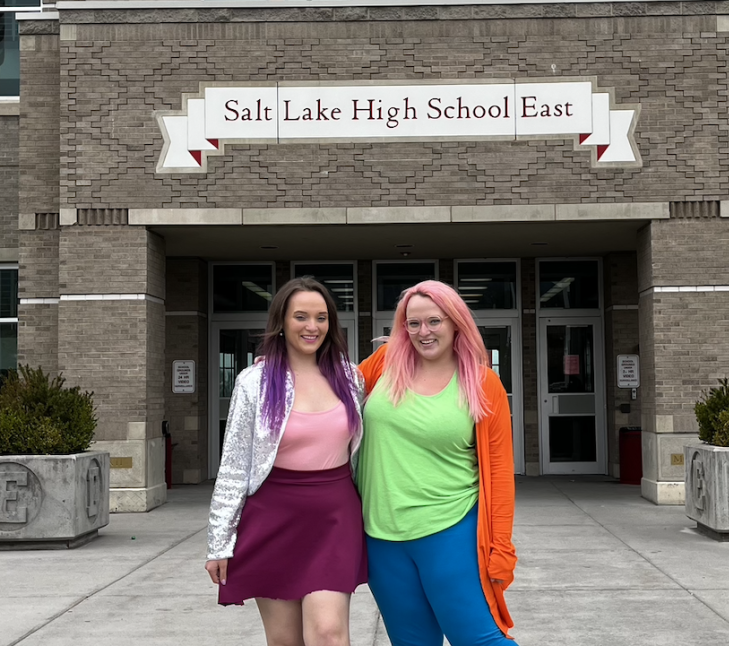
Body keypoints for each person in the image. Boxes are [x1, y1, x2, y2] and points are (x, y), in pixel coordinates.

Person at [206, 277, 367, 646]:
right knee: (285, 641)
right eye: (301, 316)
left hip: (334, 518)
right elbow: (233, 467)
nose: (312, 327)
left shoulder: (350, 377)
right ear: (282, 321)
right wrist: (219, 543)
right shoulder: (254, 381)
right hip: (272, 518)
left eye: (321, 317)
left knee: (328, 633)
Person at [357, 280, 517, 646]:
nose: (423, 332)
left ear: (455, 321)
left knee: (479, 640)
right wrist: (282, 367)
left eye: (434, 321)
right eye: (413, 324)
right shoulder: (383, 363)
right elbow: (331, 387)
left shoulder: (482, 383)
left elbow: (500, 474)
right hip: (381, 536)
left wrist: (501, 550)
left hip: (451, 530)